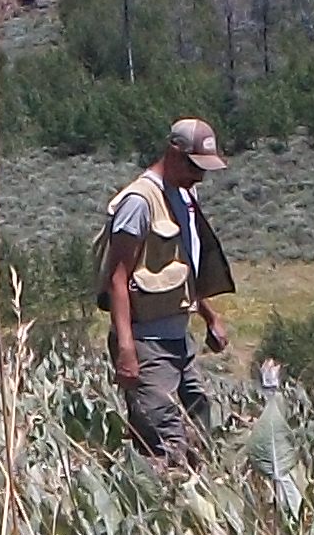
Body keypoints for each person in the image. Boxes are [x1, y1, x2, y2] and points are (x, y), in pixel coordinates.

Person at [95, 117, 236, 466]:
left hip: (179, 340)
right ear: (173, 152)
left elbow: (180, 267)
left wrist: (209, 316)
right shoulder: (139, 202)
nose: (199, 176)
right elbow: (117, 278)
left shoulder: (185, 197)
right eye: (194, 166)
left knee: (200, 434)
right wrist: (126, 349)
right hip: (146, 342)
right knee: (163, 444)